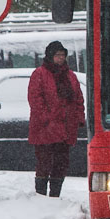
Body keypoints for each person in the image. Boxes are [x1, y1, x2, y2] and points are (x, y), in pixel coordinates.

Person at [28, 41, 84, 197]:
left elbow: (78, 98)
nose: (60, 58)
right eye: (57, 55)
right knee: (44, 163)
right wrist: (47, 119)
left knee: (60, 164)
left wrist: (79, 118)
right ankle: (40, 197)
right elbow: (35, 100)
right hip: (45, 130)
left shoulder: (70, 76)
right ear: (50, 56)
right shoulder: (39, 74)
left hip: (65, 128)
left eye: (63, 55)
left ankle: (55, 197)